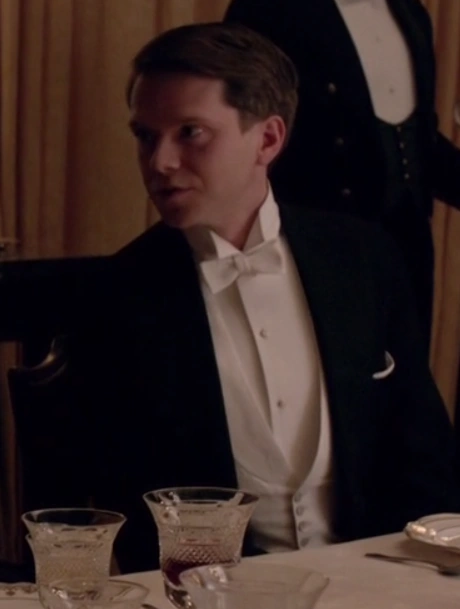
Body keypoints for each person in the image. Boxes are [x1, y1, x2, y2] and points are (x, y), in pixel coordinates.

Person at [62, 22, 460, 574]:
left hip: (378, 580)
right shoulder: (116, 294)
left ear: (268, 139)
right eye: (146, 137)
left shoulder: (363, 259)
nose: (160, 162)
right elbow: (108, 503)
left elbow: (424, 455)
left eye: (191, 133)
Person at [224, 0, 460, 352]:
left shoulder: (412, 13)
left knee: (407, 374)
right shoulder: (267, 9)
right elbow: (239, 130)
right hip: (316, 246)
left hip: (408, 248)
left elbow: (419, 142)